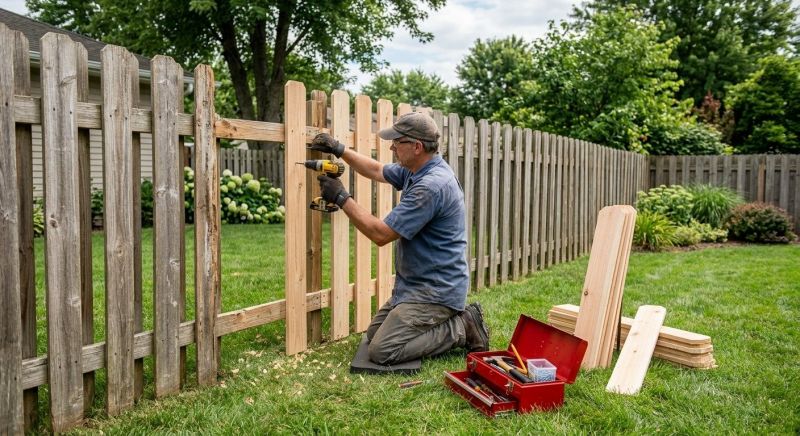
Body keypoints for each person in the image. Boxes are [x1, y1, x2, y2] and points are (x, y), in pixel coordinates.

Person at [310, 111, 490, 366]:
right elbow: (375, 169)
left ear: (417, 147)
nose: (392, 147)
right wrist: (339, 149)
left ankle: (462, 327)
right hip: (416, 285)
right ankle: (451, 323)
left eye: (397, 141)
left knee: (383, 351)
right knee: (374, 336)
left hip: (435, 292)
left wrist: (342, 198)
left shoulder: (430, 186)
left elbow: (380, 234)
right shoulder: (417, 168)